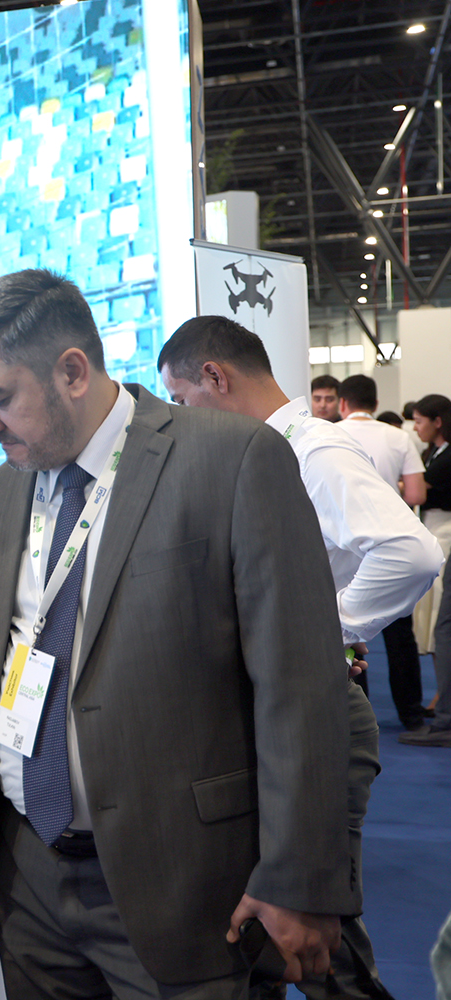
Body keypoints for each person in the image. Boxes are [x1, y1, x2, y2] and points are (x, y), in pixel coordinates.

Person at [0, 271, 354, 997]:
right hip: (28, 879)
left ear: (72, 372)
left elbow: (301, 682)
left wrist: (299, 877)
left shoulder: (230, 459)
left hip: (184, 882)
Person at [157, 317, 440, 1000]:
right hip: (279, 711)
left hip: (318, 718)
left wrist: (322, 630)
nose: (181, 418)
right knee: (271, 929)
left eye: (182, 399)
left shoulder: (311, 450)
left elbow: (411, 553)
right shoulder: (268, 453)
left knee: (318, 945)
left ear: (215, 377)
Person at [336, 373, 432, 730]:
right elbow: (416, 495)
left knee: (349, 636)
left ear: (342, 403)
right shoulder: (397, 436)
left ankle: (355, 712)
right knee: (399, 636)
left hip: (344, 552)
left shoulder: (330, 435)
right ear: (375, 404)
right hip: (390, 547)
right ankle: (411, 713)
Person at [403, 393, 451, 747]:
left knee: (440, 620)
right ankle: (441, 694)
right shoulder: (432, 454)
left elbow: (416, 490)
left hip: (445, 535)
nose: (416, 427)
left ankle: (443, 698)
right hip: (432, 530)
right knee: (435, 622)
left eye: (420, 421)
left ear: (437, 421)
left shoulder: (446, 457)